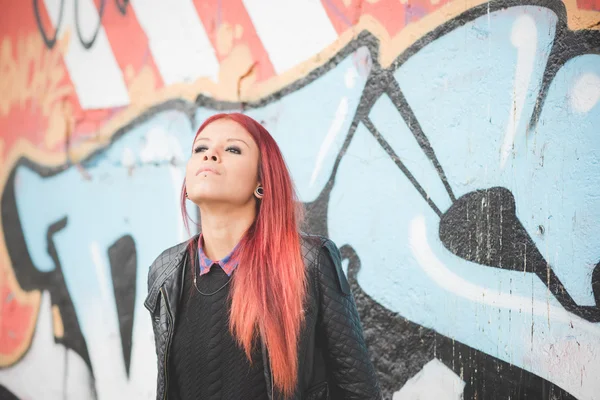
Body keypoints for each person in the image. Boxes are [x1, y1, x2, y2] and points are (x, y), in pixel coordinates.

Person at [144, 113, 383, 400]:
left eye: (232, 149)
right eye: (200, 149)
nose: (210, 156)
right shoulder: (166, 271)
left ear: (263, 181)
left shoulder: (309, 262)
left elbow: (359, 391)